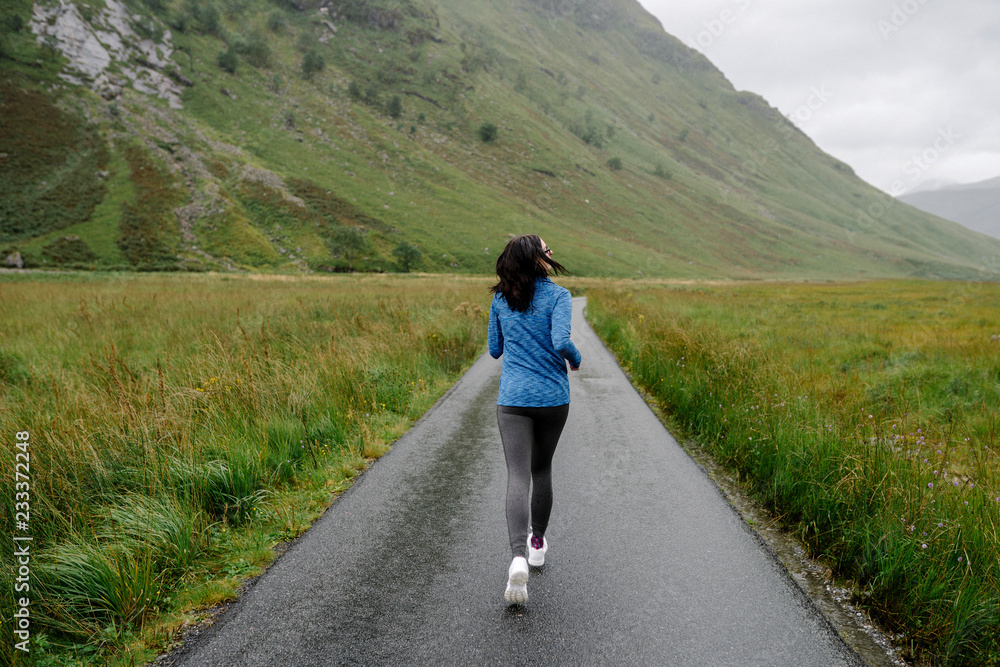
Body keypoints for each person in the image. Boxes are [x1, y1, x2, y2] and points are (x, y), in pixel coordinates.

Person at [487, 234, 581, 605]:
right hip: (553, 399)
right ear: (535, 257)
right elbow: (561, 341)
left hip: (512, 399)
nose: (552, 252)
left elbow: (495, 350)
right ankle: (537, 542)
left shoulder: (499, 299)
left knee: (516, 475)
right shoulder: (559, 296)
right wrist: (574, 357)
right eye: (547, 248)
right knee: (541, 470)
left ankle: (516, 558)